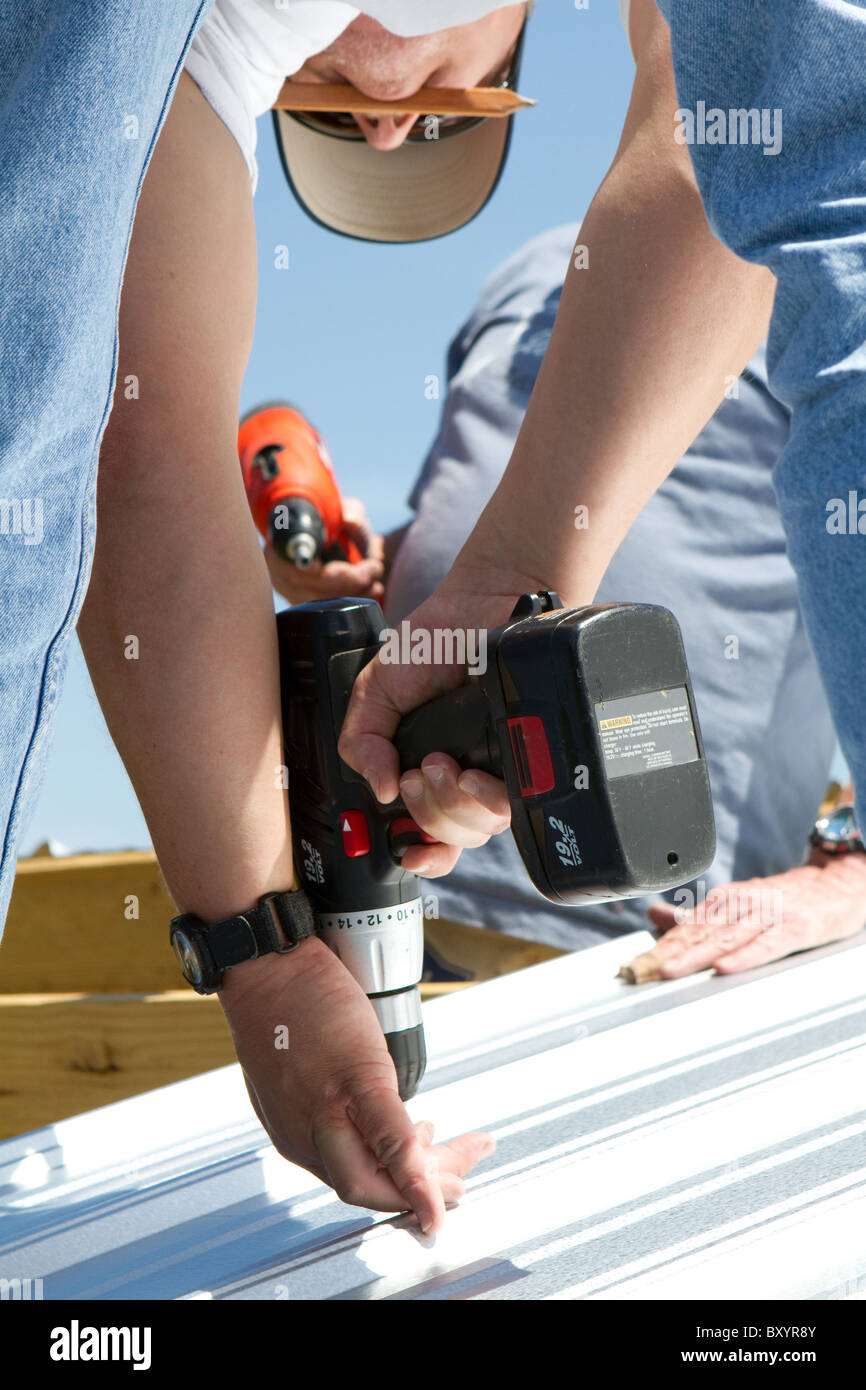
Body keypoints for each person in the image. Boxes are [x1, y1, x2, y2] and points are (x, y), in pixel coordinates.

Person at [271, 223, 866, 980]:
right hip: (415, 901)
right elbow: (485, 507)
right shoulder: (526, 273)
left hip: (659, 938)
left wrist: (849, 863)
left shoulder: (815, 251)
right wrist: (378, 564)